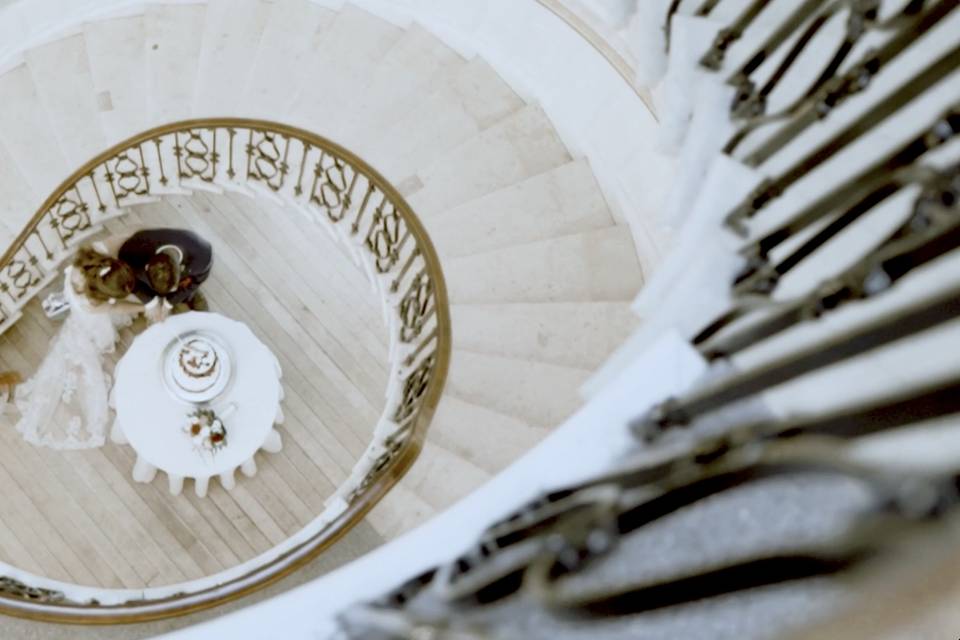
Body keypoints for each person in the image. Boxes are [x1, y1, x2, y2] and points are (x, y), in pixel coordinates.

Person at [14, 247, 144, 449]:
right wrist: (144, 307)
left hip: (79, 317)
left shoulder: (77, 270)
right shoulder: (94, 304)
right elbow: (117, 307)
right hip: (89, 322)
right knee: (94, 341)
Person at [116, 228, 213, 314]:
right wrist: (151, 302)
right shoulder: (133, 249)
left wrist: (168, 304)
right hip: (146, 282)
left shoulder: (202, 254)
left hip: (184, 280)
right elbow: (127, 276)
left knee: (191, 296)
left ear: (180, 270)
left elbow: (197, 281)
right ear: (146, 267)